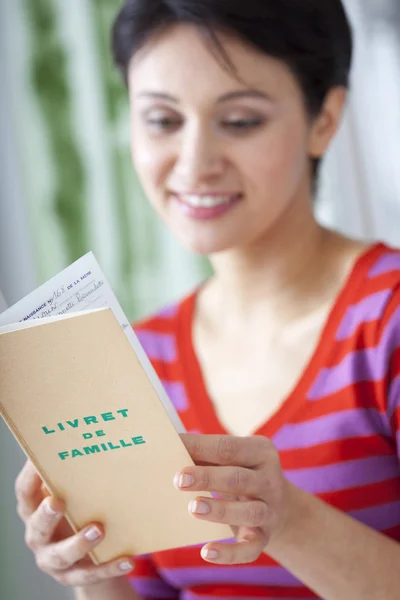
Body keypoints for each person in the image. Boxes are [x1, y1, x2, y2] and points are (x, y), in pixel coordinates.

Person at [14, 1, 400, 599]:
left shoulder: (388, 320)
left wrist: (287, 519)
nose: (194, 164)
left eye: (241, 121)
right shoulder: (136, 356)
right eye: (163, 121)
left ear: (325, 118)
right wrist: (90, 569)